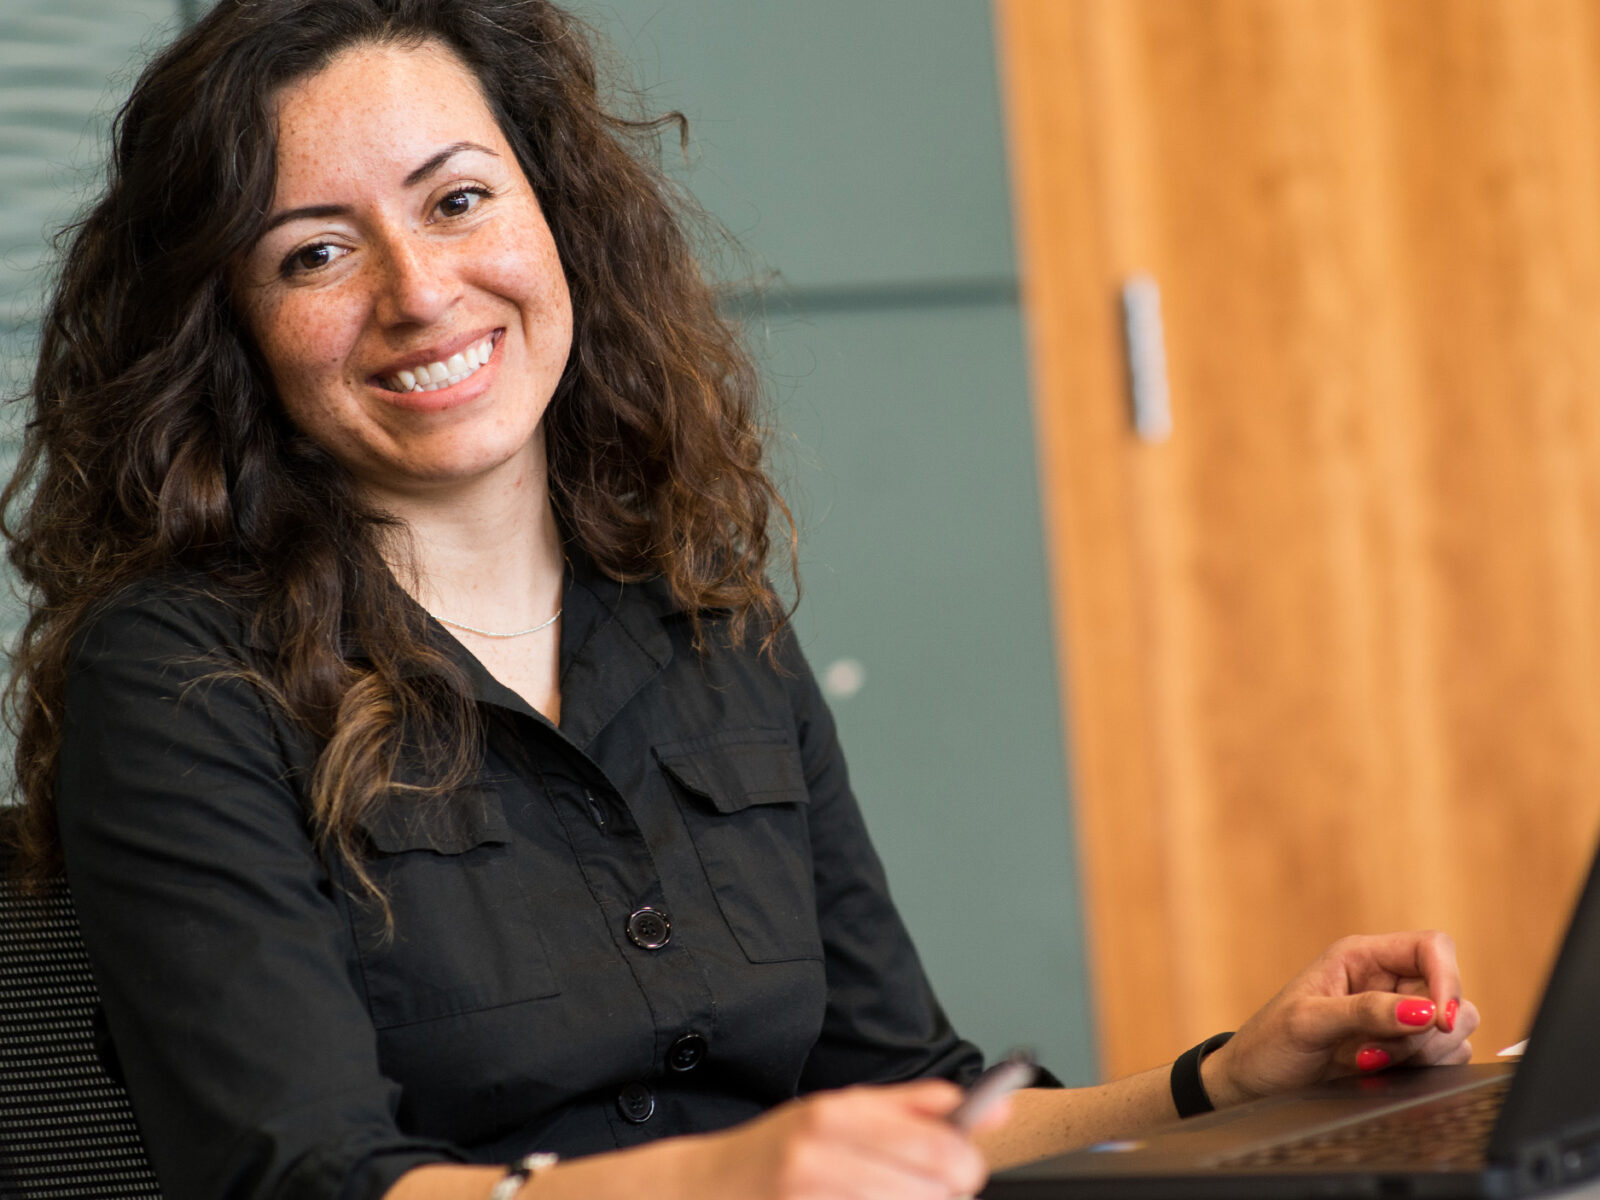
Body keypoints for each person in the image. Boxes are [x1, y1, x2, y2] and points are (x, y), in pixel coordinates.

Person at [1, 2, 1479, 1198]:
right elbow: (308, 1181)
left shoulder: (708, 617)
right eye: (314, 252)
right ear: (230, 331)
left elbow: (908, 1104)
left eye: (459, 200)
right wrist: (724, 1178)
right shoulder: (182, 677)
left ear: (556, 217)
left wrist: (1219, 1082)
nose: (420, 288)